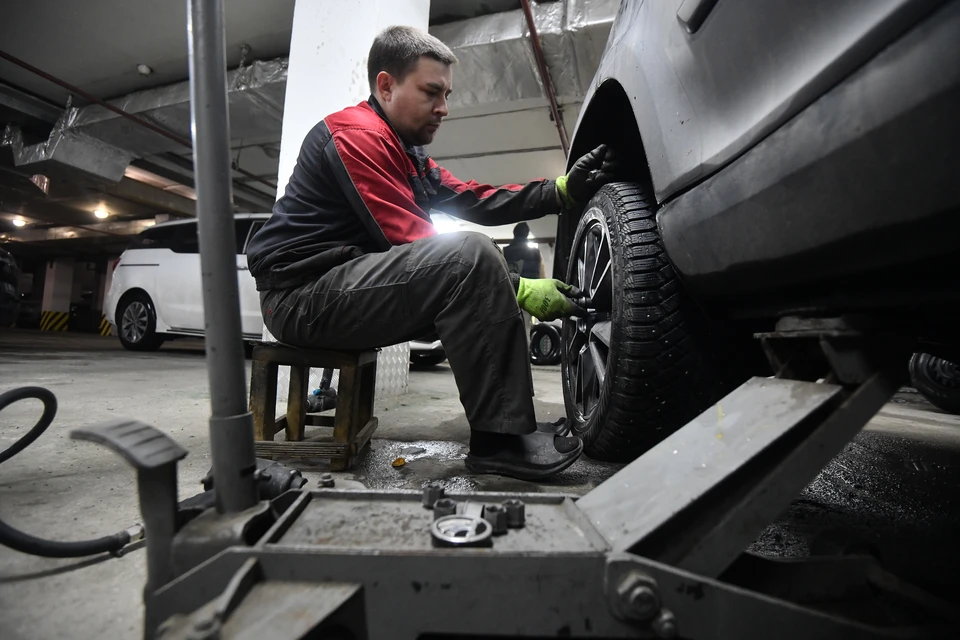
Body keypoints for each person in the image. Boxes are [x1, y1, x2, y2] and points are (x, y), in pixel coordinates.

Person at [246, 25, 618, 481]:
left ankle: (505, 429)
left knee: (470, 263)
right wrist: (518, 287)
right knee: (469, 256)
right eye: (431, 92)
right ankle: (498, 441)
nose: (444, 108)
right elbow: (410, 236)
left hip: (338, 287)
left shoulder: (406, 152)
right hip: (299, 298)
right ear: (386, 85)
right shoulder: (356, 136)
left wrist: (558, 192)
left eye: (447, 93)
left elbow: (474, 197)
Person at [502, 222, 545, 345]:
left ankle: (511, 356)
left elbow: (501, 273)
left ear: (514, 233)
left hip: (511, 294)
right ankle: (524, 357)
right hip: (530, 293)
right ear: (527, 234)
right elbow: (542, 275)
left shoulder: (505, 251)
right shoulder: (536, 253)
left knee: (509, 326)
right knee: (526, 326)